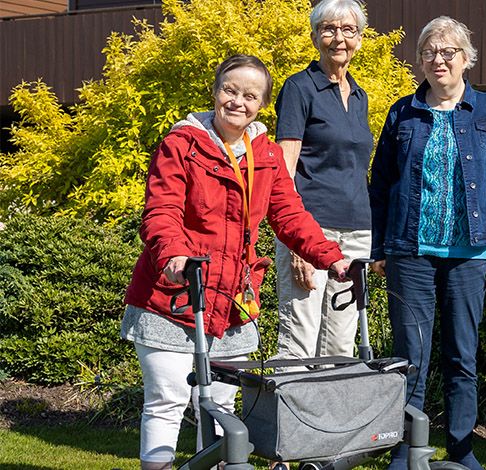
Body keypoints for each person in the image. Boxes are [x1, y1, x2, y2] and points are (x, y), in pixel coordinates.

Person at [120, 54, 349, 470]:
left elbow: (289, 215)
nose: (238, 101)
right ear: (215, 91)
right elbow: (162, 209)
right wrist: (172, 254)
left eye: (250, 95)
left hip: (231, 300)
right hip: (172, 293)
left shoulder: (265, 154)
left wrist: (330, 257)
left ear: (261, 104)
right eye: (230, 90)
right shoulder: (181, 144)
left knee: (224, 401)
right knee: (167, 398)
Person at [369, 15, 486, 470]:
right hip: (410, 251)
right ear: (420, 61)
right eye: (430, 53)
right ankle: (406, 447)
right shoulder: (403, 112)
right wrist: (379, 249)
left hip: (469, 254)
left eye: (448, 52)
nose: (439, 60)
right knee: (409, 355)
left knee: (461, 355)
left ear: (466, 59)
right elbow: (381, 184)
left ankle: (460, 446)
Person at [270, 0, 373, 368]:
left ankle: (330, 425)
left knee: (341, 346)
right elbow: (284, 168)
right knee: (300, 338)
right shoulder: (299, 88)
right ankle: (289, 424)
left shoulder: (360, 96)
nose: (338, 38)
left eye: (348, 30)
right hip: (313, 228)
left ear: (359, 39)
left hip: (358, 231)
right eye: (328, 29)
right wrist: (297, 243)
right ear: (315, 37)